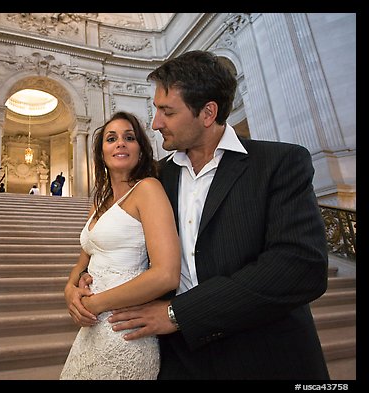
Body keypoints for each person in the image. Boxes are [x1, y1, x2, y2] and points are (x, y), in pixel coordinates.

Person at [71, 50, 330, 380]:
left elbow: (299, 267)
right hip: (177, 358)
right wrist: (78, 282)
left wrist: (178, 313)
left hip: (263, 354)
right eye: (156, 110)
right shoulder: (155, 180)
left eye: (167, 111)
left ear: (208, 112)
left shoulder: (279, 163)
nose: (155, 123)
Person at [59, 111, 181, 380]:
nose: (120, 143)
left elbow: (165, 275)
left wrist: (95, 303)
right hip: (91, 325)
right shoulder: (98, 203)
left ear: (141, 149)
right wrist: (70, 291)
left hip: (123, 324)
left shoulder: (148, 189)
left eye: (129, 137)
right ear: (102, 152)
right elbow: (82, 264)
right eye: (111, 138)